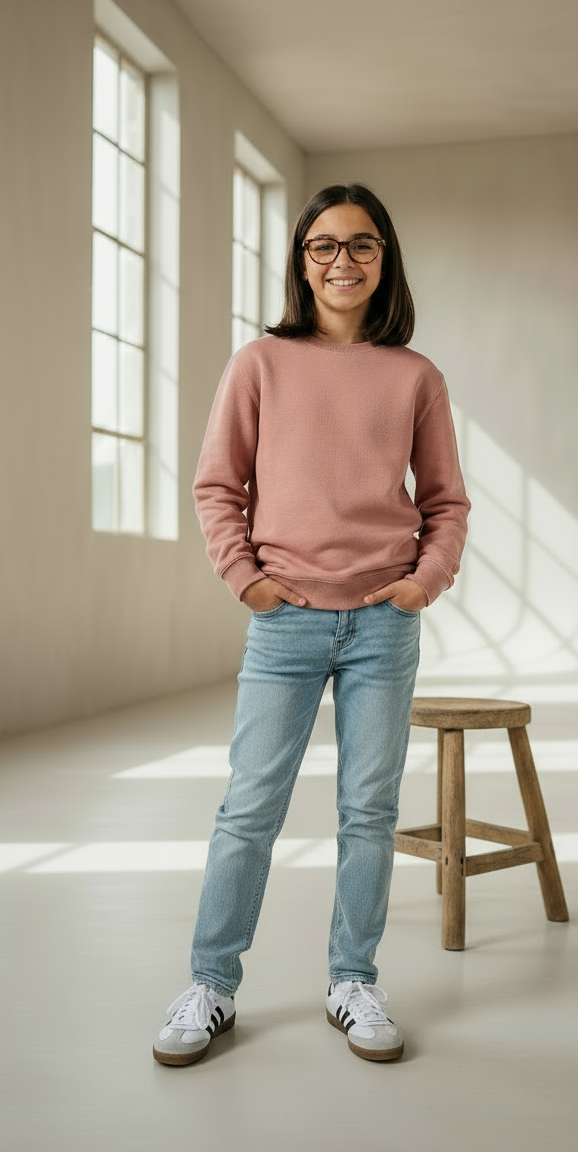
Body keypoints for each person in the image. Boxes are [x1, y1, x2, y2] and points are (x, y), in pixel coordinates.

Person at [153, 183, 470, 1066]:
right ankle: (211, 985)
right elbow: (219, 484)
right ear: (301, 263)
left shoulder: (416, 377)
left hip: (383, 622)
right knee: (249, 807)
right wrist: (245, 580)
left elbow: (445, 502)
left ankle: (352, 979)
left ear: (385, 260)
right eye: (323, 246)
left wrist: (424, 584)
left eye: (361, 245)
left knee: (368, 810)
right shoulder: (259, 363)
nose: (342, 261)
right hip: (285, 617)